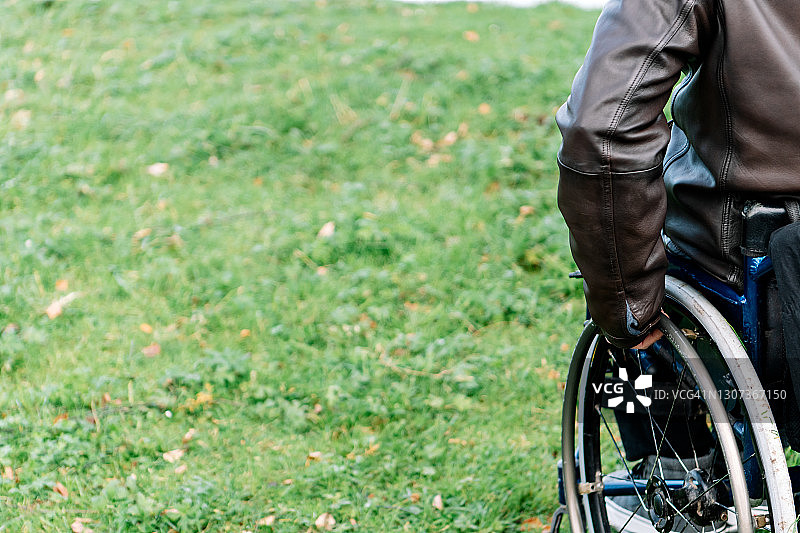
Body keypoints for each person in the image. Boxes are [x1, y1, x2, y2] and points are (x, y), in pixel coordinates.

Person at [556, 0, 800, 529]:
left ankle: (673, 462)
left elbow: (602, 131)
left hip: (763, 265)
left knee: (631, 276)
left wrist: (624, 304)